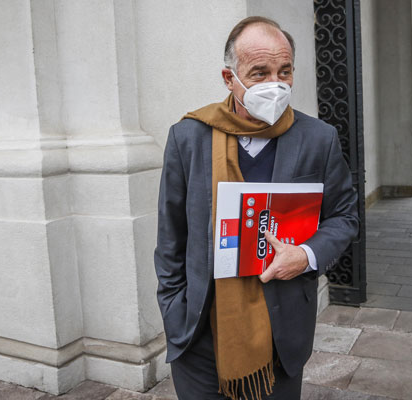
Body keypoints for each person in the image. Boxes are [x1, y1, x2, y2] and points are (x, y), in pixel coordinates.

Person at [154, 16, 359, 400]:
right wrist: (173, 308)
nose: (274, 85)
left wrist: (306, 254)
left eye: (284, 72)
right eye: (259, 73)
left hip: (280, 336)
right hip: (199, 331)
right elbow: (171, 235)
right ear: (230, 78)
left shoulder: (318, 139)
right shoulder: (189, 137)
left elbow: (344, 216)